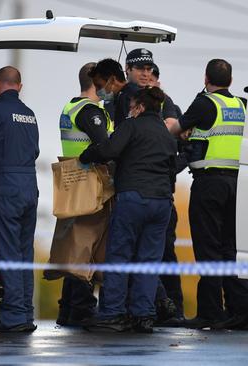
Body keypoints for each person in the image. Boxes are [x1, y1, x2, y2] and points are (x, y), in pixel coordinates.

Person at [168, 59, 248, 330]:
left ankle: (211, 312)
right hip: (238, 184)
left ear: (205, 78)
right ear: (231, 81)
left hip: (209, 184)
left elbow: (176, 129)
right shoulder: (242, 106)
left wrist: (184, 133)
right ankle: (246, 304)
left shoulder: (205, 103)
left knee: (208, 248)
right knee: (230, 249)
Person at [80, 87, 177, 333]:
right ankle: (143, 316)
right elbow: (172, 168)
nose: (130, 109)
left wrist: (87, 155)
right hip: (162, 202)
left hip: (134, 199)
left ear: (141, 107)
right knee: (149, 261)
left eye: (133, 105)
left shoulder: (131, 126)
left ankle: (113, 313)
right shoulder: (166, 135)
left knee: (120, 256)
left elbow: (109, 150)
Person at [0, 66, 39, 333]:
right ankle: (25, 313)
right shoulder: (30, 115)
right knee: (25, 253)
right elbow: (35, 150)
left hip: (4, 185)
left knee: (8, 252)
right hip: (29, 186)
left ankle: (13, 317)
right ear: (20, 86)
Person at [56, 62, 113, 327]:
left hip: (72, 180)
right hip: (91, 183)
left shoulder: (70, 107)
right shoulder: (90, 111)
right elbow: (104, 145)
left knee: (74, 244)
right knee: (86, 246)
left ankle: (68, 308)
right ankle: (81, 307)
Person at [148, 64, 186, 326]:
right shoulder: (123, 101)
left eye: (152, 76)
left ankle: (173, 310)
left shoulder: (170, 106)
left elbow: (189, 149)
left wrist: (168, 169)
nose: (148, 79)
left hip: (162, 195)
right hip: (136, 193)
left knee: (165, 255)